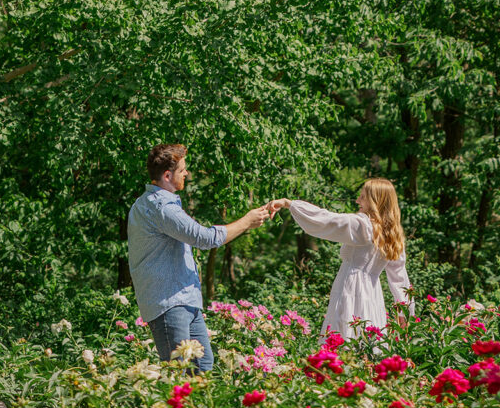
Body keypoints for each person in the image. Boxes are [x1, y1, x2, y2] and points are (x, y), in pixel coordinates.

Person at [127, 143, 270, 372]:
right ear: (167, 175)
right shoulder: (162, 207)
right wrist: (246, 222)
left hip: (184, 299)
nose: (187, 173)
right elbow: (203, 238)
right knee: (179, 373)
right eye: (182, 169)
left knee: (202, 366)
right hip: (170, 302)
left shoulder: (154, 203)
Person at [267, 179, 414, 340]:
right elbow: (400, 279)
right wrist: (405, 313)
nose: (358, 200)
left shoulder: (362, 225)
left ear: (375, 201)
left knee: (344, 335)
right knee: (367, 338)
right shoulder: (392, 234)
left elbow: (326, 219)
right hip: (373, 294)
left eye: (363, 197)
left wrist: (289, 203)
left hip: (351, 287)